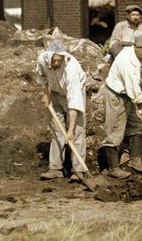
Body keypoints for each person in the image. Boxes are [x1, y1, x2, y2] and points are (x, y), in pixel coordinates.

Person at [101, 33, 142, 179]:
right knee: (114, 131)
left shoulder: (133, 53)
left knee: (137, 125)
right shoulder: (128, 61)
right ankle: (113, 168)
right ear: (137, 47)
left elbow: (133, 85)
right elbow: (134, 92)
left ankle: (135, 161)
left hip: (127, 94)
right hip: (116, 96)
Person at [36, 40, 87, 181]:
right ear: (49, 57)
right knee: (57, 130)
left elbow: (74, 104)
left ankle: (78, 170)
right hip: (55, 92)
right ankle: (55, 168)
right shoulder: (42, 59)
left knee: (77, 131)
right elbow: (41, 76)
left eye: (60, 60)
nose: (57, 63)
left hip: (72, 94)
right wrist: (46, 94)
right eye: (55, 60)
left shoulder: (71, 70)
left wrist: (69, 131)